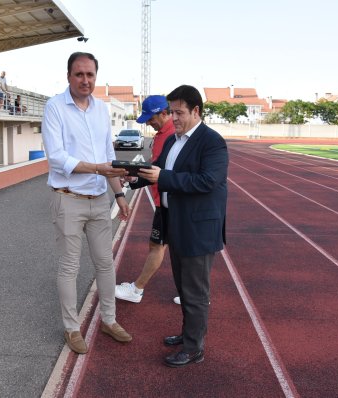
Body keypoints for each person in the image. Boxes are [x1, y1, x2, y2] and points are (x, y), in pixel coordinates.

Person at [129, 85, 228, 368]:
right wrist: (134, 178)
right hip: (176, 223)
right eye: (172, 112)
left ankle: (195, 348)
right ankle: (188, 335)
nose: (175, 117)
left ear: (196, 111)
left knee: (196, 292)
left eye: (179, 112)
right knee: (184, 288)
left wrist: (165, 176)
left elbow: (207, 181)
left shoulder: (212, 142)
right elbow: (157, 169)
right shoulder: (174, 140)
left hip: (198, 229)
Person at [42, 52, 132, 355]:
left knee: (105, 263)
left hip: (99, 200)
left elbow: (107, 155)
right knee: (70, 267)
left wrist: (119, 195)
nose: (85, 80)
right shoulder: (54, 107)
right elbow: (55, 157)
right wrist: (97, 169)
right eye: (79, 74)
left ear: (96, 76)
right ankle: (71, 327)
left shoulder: (101, 109)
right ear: (68, 76)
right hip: (68, 200)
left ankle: (109, 319)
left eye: (90, 75)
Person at [114, 95, 178, 304]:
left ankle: (137, 290)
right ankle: (193, 294)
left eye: (151, 118)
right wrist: (134, 177)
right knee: (174, 247)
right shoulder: (163, 134)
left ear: (164, 113)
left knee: (157, 246)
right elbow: (154, 164)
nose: (149, 123)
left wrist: (135, 179)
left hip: (169, 202)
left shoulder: (173, 135)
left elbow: (162, 170)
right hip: (166, 200)